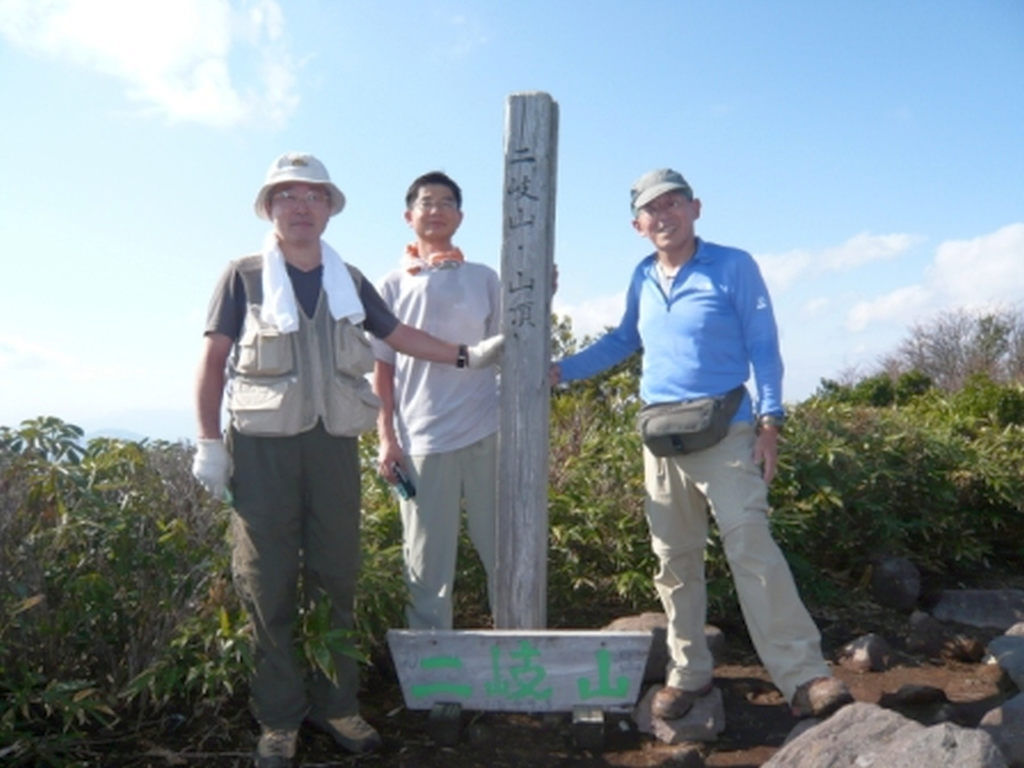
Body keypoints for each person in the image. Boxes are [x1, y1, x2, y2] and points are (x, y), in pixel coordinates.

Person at [191, 152, 502, 768]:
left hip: (334, 447)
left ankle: (337, 705)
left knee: (337, 578)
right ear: (269, 207)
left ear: (330, 208)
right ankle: (279, 719)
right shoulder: (243, 275)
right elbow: (213, 359)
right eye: (287, 196)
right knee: (268, 586)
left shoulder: (349, 278)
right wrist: (209, 443)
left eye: (314, 196)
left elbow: (398, 337)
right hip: (262, 452)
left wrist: (467, 356)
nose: (301, 207)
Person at [549, 168, 853, 721]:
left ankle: (805, 675)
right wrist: (560, 371)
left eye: (673, 204)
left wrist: (769, 424)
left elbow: (764, 345)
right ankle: (688, 671)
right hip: (661, 437)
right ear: (637, 225)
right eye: (652, 209)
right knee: (674, 559)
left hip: (728, 429)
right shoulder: (642, 275)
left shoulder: (733, 266)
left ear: (696, 208)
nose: (663, 215)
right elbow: (623, 340)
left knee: (751, 547)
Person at [371, 171, 500, 630]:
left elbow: (512, 346)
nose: (437, 209)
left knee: (503, 552)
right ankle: (433, 677)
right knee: (426, 566)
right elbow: (381, 370)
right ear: (409, 216)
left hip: (487, 430)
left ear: (460, 217)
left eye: (447, 202)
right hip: (421, 437)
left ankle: (518, 654)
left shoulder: (485, 278)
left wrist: (542, 296)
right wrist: (387, 439)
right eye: (427, 202)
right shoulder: (390, 285)